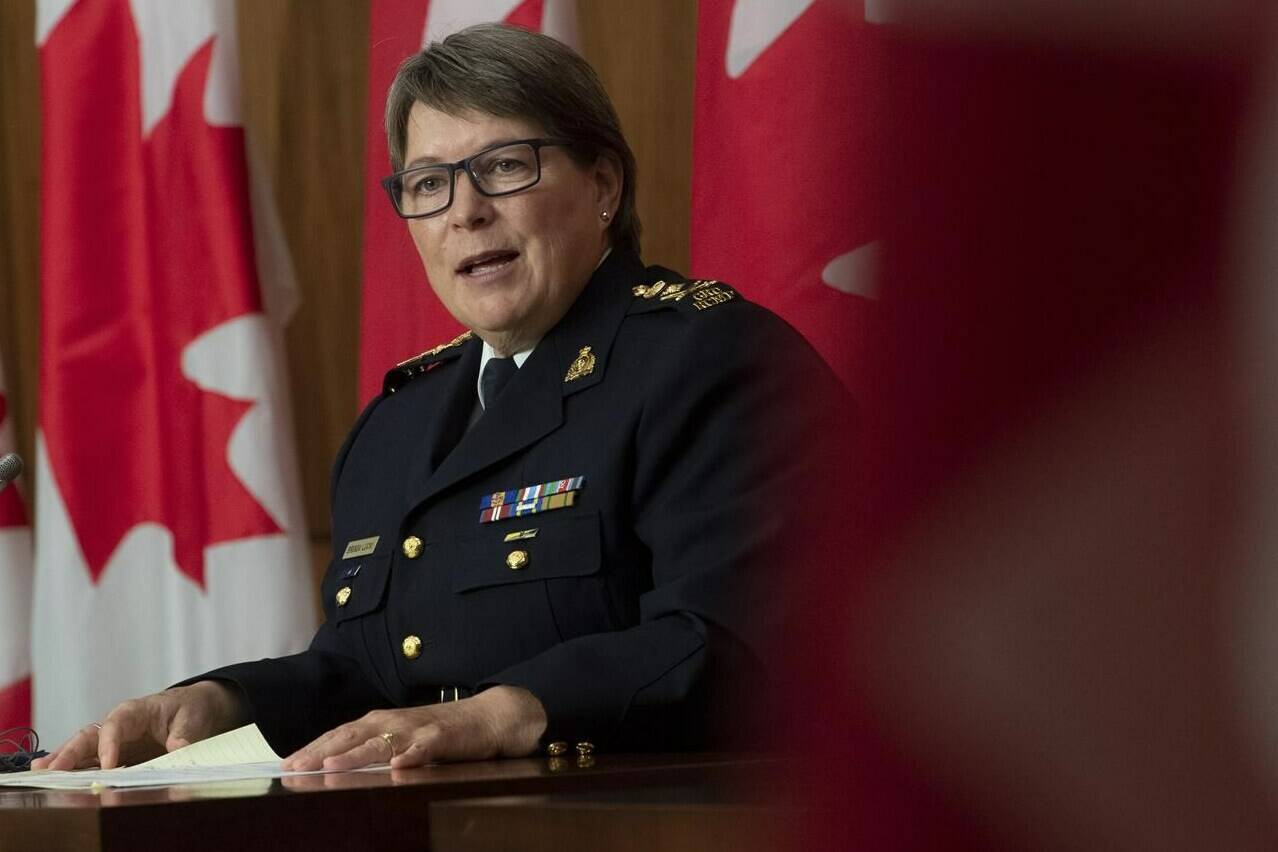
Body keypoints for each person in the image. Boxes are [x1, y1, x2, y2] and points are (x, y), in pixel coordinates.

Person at [34, 23, 843, 772]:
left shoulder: (713, 360)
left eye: (503, 167)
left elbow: (746, 644)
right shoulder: (399, 421)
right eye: (428, 183)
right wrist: (219, 702)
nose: (464, 212)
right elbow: (367, 671)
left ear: (602, 184)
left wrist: (504, 714)